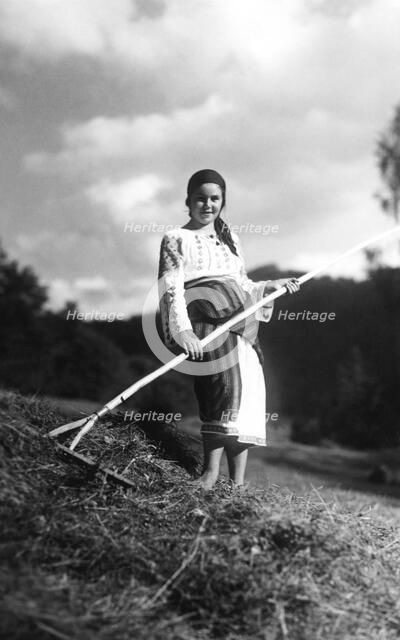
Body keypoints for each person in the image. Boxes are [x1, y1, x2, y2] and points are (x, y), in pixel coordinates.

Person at [158, 169, 300, 490]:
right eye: (200, 198)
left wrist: (270, 286)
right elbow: (171, 289)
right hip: (207, 323)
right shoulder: (176, 239)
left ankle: (236, 484)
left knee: (248, 397)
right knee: (222, 389)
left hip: (243, 324)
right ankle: (209, 474)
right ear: (188, 200)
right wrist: (184, 332)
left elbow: (243, 284)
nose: (207, 204)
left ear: (223, 202)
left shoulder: (231, 239)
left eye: (215, 198)